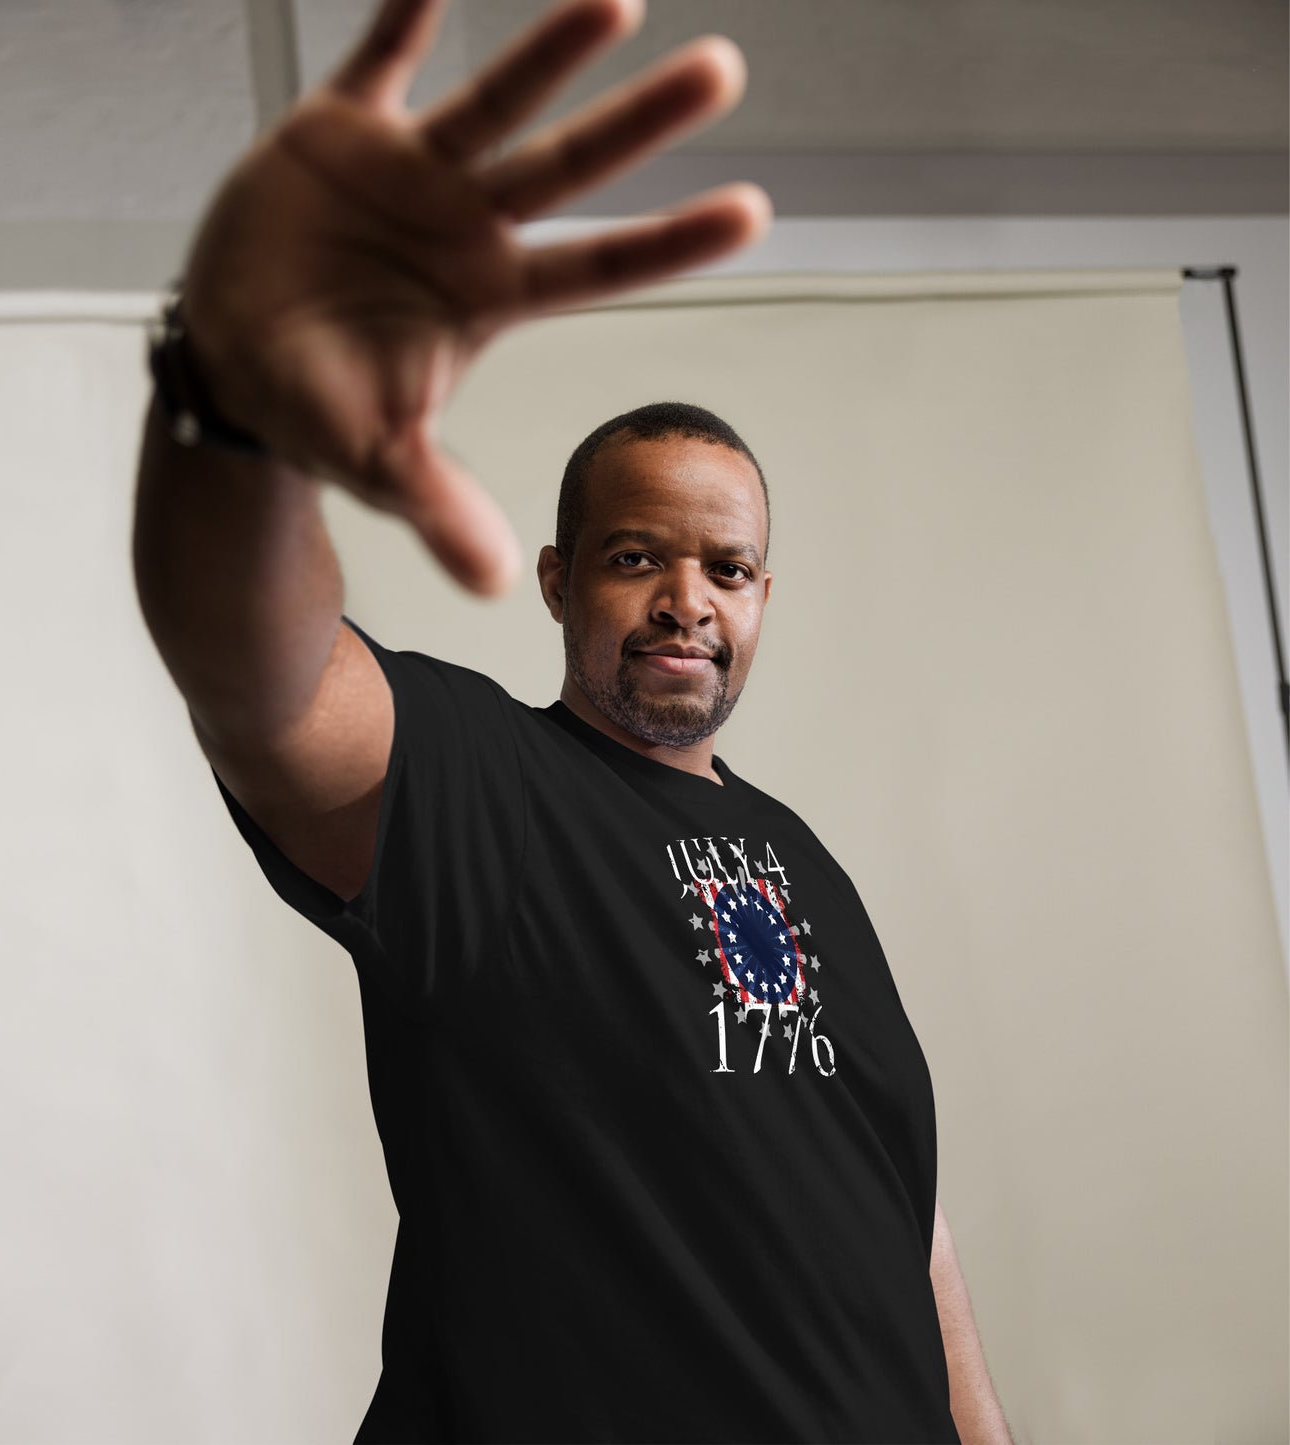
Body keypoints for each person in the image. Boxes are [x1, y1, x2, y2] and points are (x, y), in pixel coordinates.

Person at [131, 0, 1013, 1440]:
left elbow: (904, 1214)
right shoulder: (491, 787)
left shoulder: (801, 856)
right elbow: (264, 685)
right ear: (557, 579)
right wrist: (236, 408)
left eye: (724, 568)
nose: (685, 598)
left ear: (763, 595)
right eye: (633, 556)